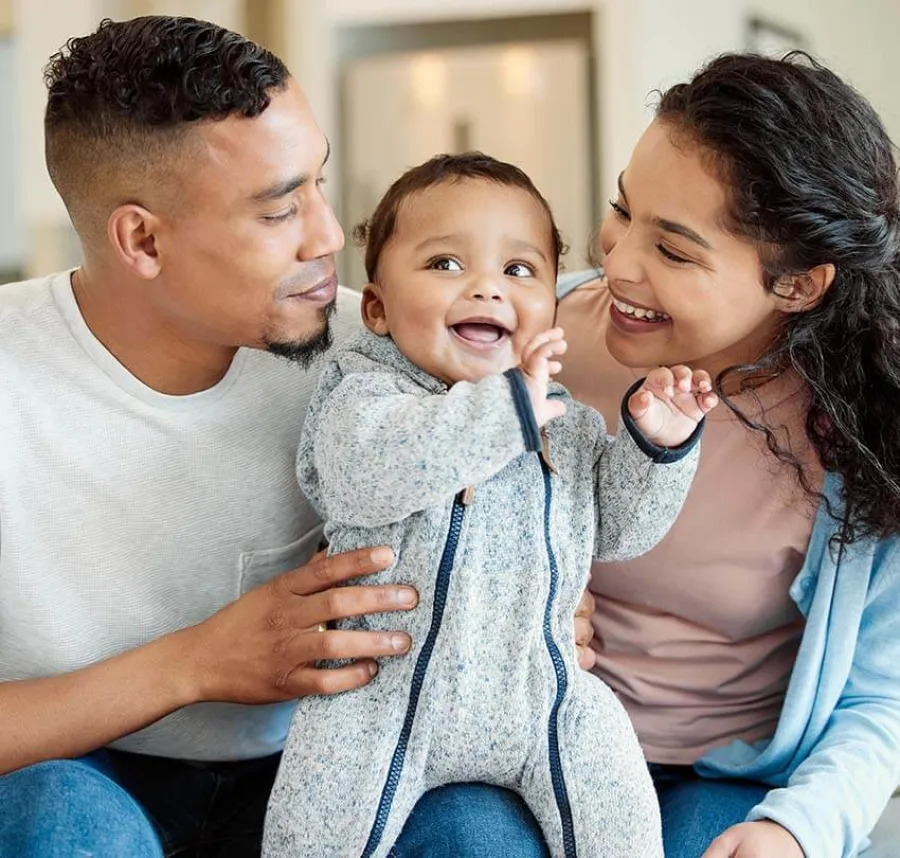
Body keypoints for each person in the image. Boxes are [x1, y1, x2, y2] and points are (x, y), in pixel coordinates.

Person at [0, 16, 592, 858]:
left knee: (481, 833)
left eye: (319, 182)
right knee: (60, 818)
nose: (329, 236)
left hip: (335, 761)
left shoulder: (387, 344)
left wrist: (532, 599)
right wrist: (196, 664)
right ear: (143, 239)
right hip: (83, 771)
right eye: (281, 209)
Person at [263, 152, 718, 858]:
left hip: (543, 697)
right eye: (445, 264)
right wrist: (504, 412)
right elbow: (367, 475)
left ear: (552, 307)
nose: (486, 287)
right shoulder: (363, 396)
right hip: (381, 698)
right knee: (312, 832)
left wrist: (658, 446)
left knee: (620, 813)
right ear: (377, 308)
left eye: (519, 269)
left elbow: (618, 530)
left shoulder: (565, 424)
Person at [552, 52, 900, 858]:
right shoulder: (537, 342)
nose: (617, 261)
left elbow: (880, 700)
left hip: (727, 779)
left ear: (798, 284)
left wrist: (795, 830)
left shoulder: (868, 440)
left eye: (674, 252)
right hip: (534, 733)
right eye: (623, 209)